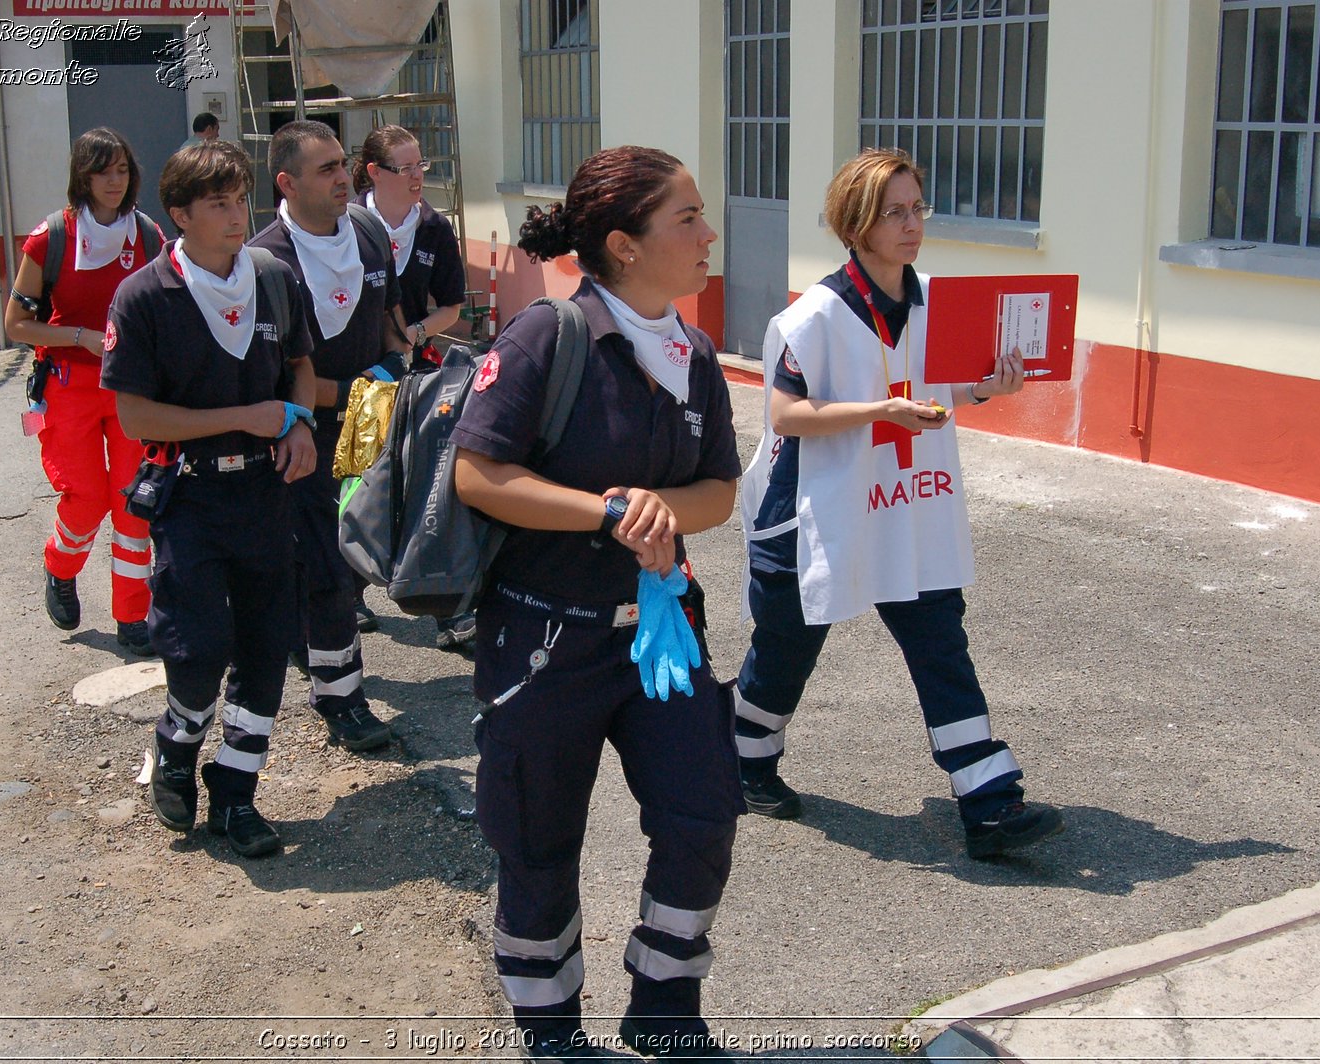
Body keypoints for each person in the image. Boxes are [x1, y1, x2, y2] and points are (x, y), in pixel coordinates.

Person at [453, 146, 743, 1060]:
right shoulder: (548, 336)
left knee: (704, 813)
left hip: (659, 632)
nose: (707, 234)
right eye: (686, 219)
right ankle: (552, 1033)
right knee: (538, 845)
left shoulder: (694, 353)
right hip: (546, 640)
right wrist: (608, 509)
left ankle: (666, 1009)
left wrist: (661, 510)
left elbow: (718, 492)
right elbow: (478, 472)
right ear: (623, 244)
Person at [733, 147, 1065, 860]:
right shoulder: (813, 316)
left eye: (918, 208)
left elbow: (947, 385)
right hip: (810, 513)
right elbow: (787, 418)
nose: (913, 224)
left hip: (909, 506)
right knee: (786, 651)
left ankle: (989, 803)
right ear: (857, 223)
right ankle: (746, 756)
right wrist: (879, 412)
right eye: (896, 212)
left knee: (941, 646)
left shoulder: (938, 303)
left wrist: (989, 387)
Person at [102, 140, 318, 858]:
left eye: (240, 199)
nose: (237, 216)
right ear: (180, 215)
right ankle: (175, 747)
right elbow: (136, 419)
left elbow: (301, 364)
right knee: (196, 651)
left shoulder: (272, 276)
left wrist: (302, 422)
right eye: (218, 204)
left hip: (266, 493)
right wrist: (244, 418)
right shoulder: (144, 296)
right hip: (190, 499)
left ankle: (236, 795)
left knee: (264, 653)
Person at [249, 120, 409, 753]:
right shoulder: (264, 263)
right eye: (326, 169)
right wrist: (350, 391)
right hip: (304, 437)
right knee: (327, 564)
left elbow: (394, 327)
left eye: (343, 164)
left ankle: (310, 642)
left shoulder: (370, 234)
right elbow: (276, 382)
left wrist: (395, 365)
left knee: (360, 553)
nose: (344, 177)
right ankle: (341, 697)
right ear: (286, 183)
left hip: (372, 423)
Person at [6, 127, 163, 655]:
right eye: (103, 171)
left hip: (128, 389)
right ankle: (60, 566)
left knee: (132, 502)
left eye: (121, 170)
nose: (114, 181)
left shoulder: (146, 235)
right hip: (69, 386)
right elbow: (16, 326)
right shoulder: (50, 238)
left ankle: (132, 616)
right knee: (87, 496)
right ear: (83, 176)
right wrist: (81, 337)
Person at [352, 123, 474, 652]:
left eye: (422, 164)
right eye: (406, 167)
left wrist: (417, 334)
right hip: (364, 379)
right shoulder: (348, 225)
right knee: (357, 477)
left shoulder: (433, 228)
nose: (418, 175)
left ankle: (445, 608)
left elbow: (453, 305)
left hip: (419, 371)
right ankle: (348, 587)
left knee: (428, 480)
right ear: (375, 173)